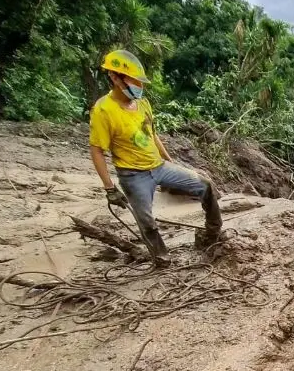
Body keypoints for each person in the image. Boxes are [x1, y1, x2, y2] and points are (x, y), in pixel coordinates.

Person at [88, 49, 222, 262]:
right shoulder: (103, 110)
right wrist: (109, 188)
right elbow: (96, 150)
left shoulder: (143, 104)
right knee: (146, 221)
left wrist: (169, 162)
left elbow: (152, 134)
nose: (138, 86)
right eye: (134, 81)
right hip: (133, 175)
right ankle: (161, 258)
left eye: (140, 82)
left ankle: (213, 232)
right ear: (114, 77)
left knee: (204, 185)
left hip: (158, 166)